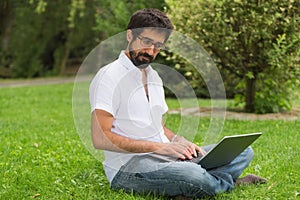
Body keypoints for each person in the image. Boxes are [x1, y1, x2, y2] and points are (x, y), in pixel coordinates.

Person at [89, 8, 267, 199]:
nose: (151, 51)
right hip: (128, 166)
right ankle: (221, 182)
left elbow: (159, 127)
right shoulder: (109, 76)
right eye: (146, 41)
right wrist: (158, 148)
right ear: (130, 35)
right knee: (192, 175)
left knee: (243, 151)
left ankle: (199, 184)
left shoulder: (154, 77)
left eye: (158, 45)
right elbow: (101, 139)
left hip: (166, 155)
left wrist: (178, 141)